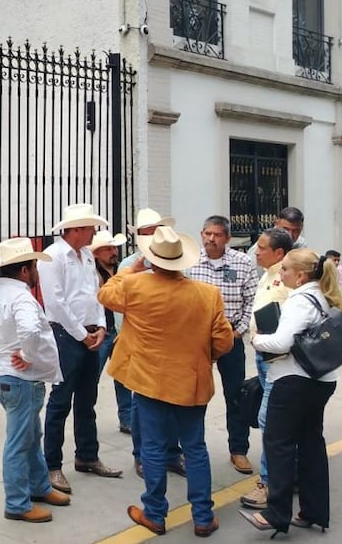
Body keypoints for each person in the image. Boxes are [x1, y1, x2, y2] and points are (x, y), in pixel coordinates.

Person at [99, 226, 233, 538]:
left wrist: (129, 270)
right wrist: (204, 356)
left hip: (149, 380)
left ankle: (155, 513)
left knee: (154, 448)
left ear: (152, 259)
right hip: (191, 380)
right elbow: (223, 342)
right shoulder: (207, 294)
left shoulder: (135, 284)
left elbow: (105, 294)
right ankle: (202, 515)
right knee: (195, 449)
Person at [242, 249, 342, 535]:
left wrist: (257, 339)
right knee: (311, 443)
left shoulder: (300, 300)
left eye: (285, 268)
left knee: (279, 446)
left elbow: (282, 342)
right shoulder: (322, 296)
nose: (281, 272)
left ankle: (276, 514)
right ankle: (314, 511)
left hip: (293, 382)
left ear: (300, 275)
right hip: (321, 381)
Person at [0, 238, 69, 523]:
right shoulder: (21, 297)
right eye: (33, 267)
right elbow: (30, 330)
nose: (36, 273)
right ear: (24, 272)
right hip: (20, 379)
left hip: (5, 376)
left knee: (31, 436)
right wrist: (29, 355)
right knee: (20, 442)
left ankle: (39, 486)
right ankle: (18, 503)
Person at [40, 204, 122, 495]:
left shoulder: (86, 255)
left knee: (87, 399)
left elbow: (95, 294)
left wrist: (99, 326)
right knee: (61, 401)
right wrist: (81, 334)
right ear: (76, 229)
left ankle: (87, 455)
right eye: (90, 228)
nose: (93, 233)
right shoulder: (53, 256)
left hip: (88, 332)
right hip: (66, 334)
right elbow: (56, 302)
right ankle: (52, 465)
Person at [188, 215, 258, 475]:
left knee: (235, 394)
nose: (211, 239)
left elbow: (252, 301)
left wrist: (237, 332)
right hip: (197, 341)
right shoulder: (191, 262)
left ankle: (238, 450)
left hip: (230, 337)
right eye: (207, 234)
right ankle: (189, 448)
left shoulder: (242, 263)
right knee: (193, 395)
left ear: (227, 238)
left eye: (217, 235)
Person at [120, 208, 184, 479]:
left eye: (153, 233)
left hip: (171, 344)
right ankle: (141, 455)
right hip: (142, 344)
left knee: (170, 401)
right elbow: (119, 306)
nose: (150, 238)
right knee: (140, 404)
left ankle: (171, 452)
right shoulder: (129, 267)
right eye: (145, 234)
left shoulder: (176, 261)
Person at [239, 227, 294, 511]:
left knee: (270, 422)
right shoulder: (268, 274)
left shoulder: (287, 278)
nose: (255, 251)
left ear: (279, 253)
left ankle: (270, 483)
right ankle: (287, 476)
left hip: (278, 359)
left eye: (261, 247)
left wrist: (262, 339)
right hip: (266, 357)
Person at [89, 231, 132, 435]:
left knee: (123, 376)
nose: (113, 252)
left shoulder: (123, 268)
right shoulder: (92, 272)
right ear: (96, 253)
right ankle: (88, 417)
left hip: (121, 330)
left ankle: (127, 419)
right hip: (103, 330)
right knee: (92, 377)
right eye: (108, 249)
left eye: (114, 248)